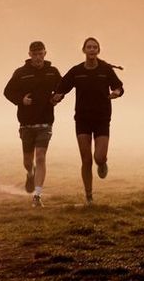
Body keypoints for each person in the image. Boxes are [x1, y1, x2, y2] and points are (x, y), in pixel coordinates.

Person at [52, 37, 124, 204]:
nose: (92, 50)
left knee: (98, 157)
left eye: (95, 47)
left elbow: (119, 86)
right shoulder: (77, 71)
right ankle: (89, 196)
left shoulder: (105, 69)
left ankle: (102, 163)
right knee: (86, 159)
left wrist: (117, 93)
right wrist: (57, 96)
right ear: (84, 50)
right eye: (89, 47)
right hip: (82, 119)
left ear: (98, 50)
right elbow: (62, 87)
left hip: (102, 118)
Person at [3, 41, 62, 207]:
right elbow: (7, 92)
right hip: (26, 123)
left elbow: (62, 87)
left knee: (41, 157)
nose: (37, 57)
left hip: (45, 122)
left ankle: (37, 195)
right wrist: (21, 100)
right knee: (28, 161)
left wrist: (57, 97)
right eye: (34, 54)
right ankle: (30, 173)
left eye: (40, 54)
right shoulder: (21, 73)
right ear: (29, 55)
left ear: (45, 53)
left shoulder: (52, 71)